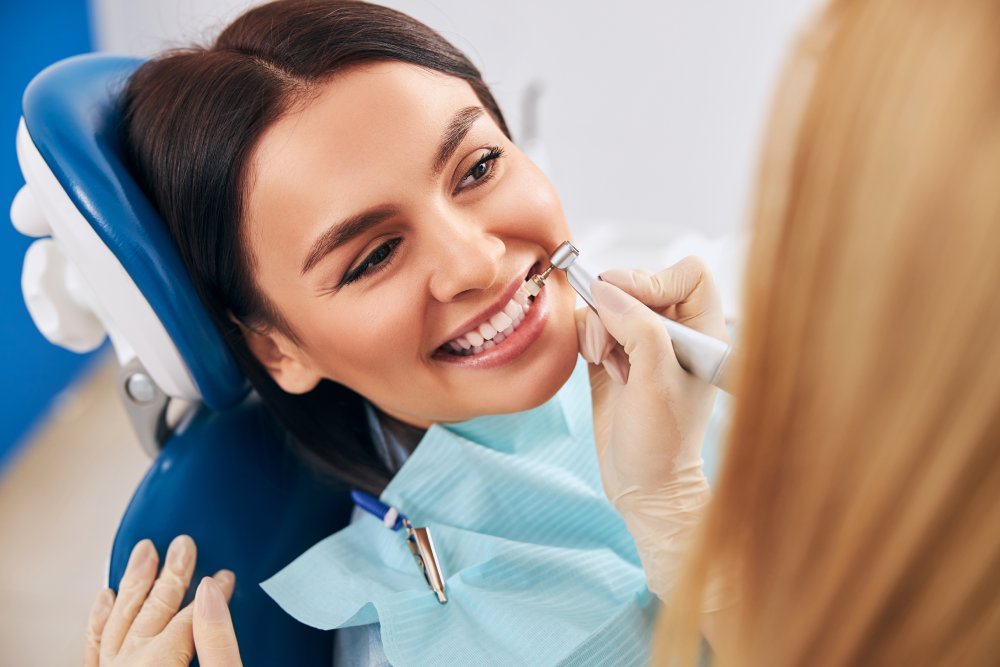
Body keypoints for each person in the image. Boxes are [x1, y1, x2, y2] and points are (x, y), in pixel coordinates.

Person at [84, 1, 662, 666]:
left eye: (478, 167)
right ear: (277, 349)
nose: (475, 262)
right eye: (374, 256)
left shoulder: (679, 311)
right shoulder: (432, 643)